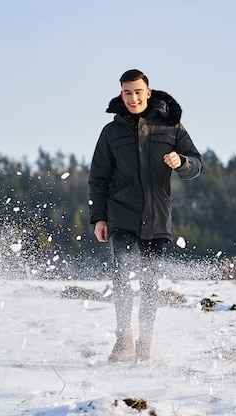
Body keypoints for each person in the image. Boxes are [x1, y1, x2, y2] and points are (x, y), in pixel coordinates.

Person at [88, 69, 203, 363]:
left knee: (150, 281)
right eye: (127, 93)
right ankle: (123, 338)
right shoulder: (111, 132)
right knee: (121, 276)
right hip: (120, 215)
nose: (133, 98)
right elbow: (98, 178)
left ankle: (145, 341)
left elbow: (197, 164)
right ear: (121, 94)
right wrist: (99, 218)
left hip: (157, 215)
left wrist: (182, 162)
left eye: (138, 92)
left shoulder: (171, 127)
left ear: (148, 93)